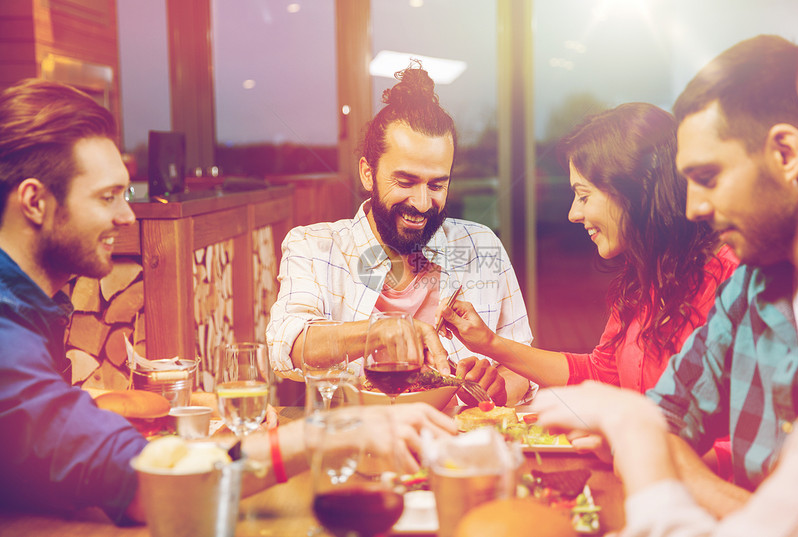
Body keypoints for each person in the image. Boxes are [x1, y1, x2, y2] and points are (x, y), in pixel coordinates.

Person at [0, 78, 456, 524]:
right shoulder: (7, 341)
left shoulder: (28, 312)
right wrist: (330, 432)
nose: (125, 216)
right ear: (35, 202)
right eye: (107, 197)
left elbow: (44, 421)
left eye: (125, 194)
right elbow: (147, 484)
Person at [533, 5, 798, 535]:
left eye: (709, 176)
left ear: (787, 154)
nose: (693, 208)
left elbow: (648, 430)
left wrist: (642, 438)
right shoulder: (752, 284)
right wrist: (644, 434)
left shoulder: (735, 272)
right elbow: (665, 412)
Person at [266, 63, 534, 406]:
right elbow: (288, 346)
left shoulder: (481, 246)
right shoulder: (314, 246)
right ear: (368, 173)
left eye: (437, 184)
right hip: (360, 442)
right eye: (405, 182)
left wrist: (497, 389)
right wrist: (383, 332)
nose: (422, 204)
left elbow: (522, 365)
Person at [440, 103, 736, 394]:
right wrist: (490, 343)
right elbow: (602, 373)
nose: (573, 214)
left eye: (583, 196)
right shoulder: (645, 278)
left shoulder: (733, 280)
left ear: (636, 190)